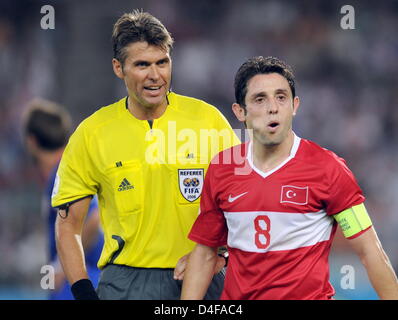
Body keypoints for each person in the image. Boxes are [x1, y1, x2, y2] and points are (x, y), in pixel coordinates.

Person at [51, 10, 240, 300]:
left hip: (203, 275)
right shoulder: (92, 133)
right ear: (118, 67)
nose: (155, 75)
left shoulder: (209, 121)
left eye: (162, 63)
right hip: (126, 282)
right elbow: (68, 224)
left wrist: (222, 258)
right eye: (142, 65)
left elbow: (244, 205)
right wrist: (83, 292)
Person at [181, 56, 398, 300]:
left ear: (294, 105)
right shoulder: (222, 169)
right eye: (260, 99)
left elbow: (370, 251)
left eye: (281, 97)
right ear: (240, 111)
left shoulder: (328, 168)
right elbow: (205, 253)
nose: (273, 107)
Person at [23, 98, 103, 300]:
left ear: (31, 141)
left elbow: (93, 219)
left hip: (81, 278)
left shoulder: (63, 171)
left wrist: (60, 266)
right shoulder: (60, 171)